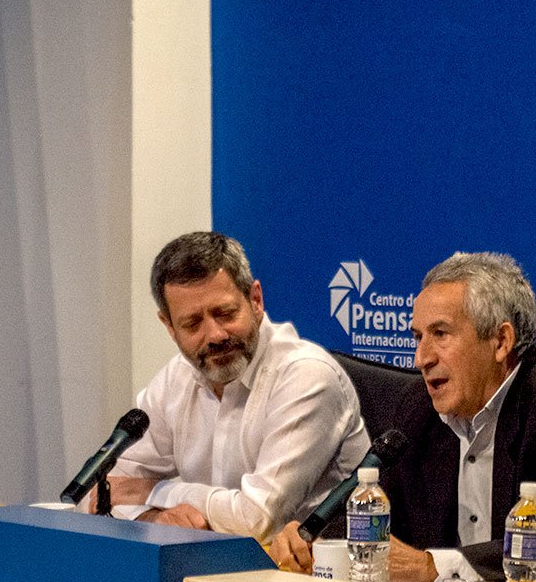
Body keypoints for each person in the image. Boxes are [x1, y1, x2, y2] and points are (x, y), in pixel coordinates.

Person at [273, 251, 536, 582]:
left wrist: (434, 567)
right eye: (417, 337)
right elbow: (382, 511)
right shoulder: (419, 409)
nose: (421, 358)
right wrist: (316, 541)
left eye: (440, 334)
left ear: (501, 342)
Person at [102, 231, 371, 544]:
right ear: (169, 327)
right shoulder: (176, 379)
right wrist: (155, 517)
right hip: (216, 572)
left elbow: (257, 520)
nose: (215, 335)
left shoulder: (307, 377)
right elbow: (103, 494)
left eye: (225, 313)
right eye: (192, 324)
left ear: (255, 300)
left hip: (319, 578)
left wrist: (157, 491)